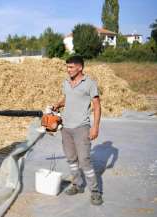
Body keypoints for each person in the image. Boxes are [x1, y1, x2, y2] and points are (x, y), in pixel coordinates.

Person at [52, 55, 103, 205]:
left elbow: (97, 107)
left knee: (85, 161)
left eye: (71, 67)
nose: (68, 70)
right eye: (67, 67)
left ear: (80, 67)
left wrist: (95, 127)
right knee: (71, 160)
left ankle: (95, 191)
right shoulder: (66, 83)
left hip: (82, 127)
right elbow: (67, 98)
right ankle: (77, 185)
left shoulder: (90, 84)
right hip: (66, 127)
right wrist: (58, 104)